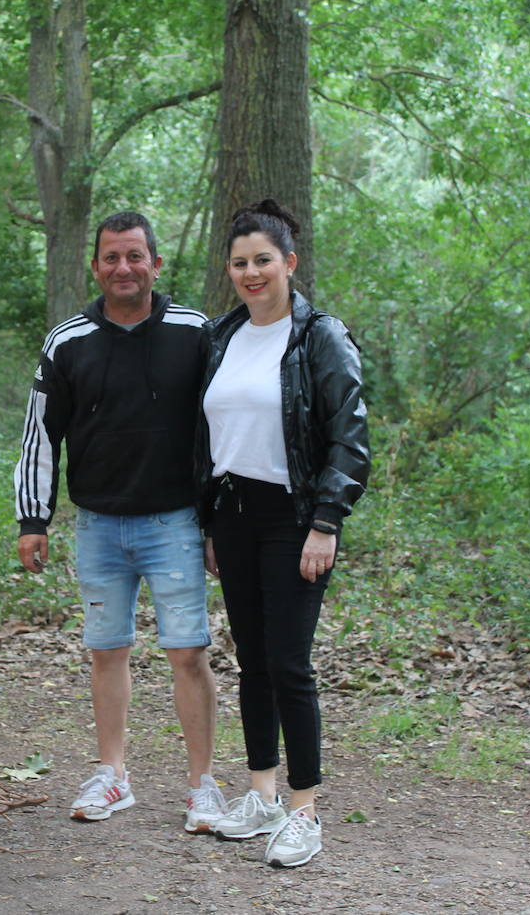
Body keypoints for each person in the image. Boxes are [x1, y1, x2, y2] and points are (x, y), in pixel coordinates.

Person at [14, 210, 224, 832]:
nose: (123, 268)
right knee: (107, 651)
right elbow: (40, 436)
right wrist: (34, 519)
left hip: (176, 523)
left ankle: (202, 788)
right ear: (97, 266)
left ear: (156, 264)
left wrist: (216, 522)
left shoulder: (195, 333)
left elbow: (221, 429)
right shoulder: (67, 341)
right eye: (111, 257)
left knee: (188, 652)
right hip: (99, 524)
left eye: (135, 256)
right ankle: (114, 777)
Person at [196, 199, 369, 867]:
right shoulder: (223, 337)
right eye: (239, 263)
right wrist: (210, 519)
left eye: (263, 260)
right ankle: (261, 797)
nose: (251, 272)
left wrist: (327, 522)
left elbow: (350, 438)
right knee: (254, 661)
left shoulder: (320, 337)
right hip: (234, 514)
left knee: (290, 665)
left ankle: (304, 813)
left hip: (296, 517)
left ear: (289, 262)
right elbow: (209, 437)